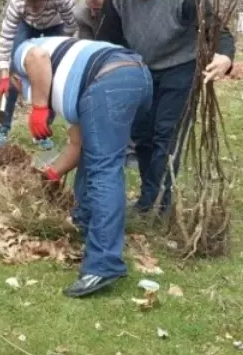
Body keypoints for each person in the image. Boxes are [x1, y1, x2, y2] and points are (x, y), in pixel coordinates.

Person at [96, 0, 235, 215]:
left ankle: (157, 201)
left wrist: (225, 58)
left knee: (166, 135)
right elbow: (107, 40)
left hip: (180, 66)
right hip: (138, 67)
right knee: (141, 134)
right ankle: (152, 196)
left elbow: (218, 31)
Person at [11, 34, 152, 298]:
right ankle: (87, 223)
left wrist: (39, 108)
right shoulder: (74, 81)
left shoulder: (21, 54)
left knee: (104, 168)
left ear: (18, 80)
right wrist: (53, 173)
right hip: (136, 77)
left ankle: (103, 264)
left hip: (109, 80)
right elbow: (78, 145)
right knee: (97, 154)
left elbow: (36, 58)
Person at [0, 0, 77, 149]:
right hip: (27, 26)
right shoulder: (18, 2)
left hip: (56, 25)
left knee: (51, 77)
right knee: (14, 76)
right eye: (31, 6)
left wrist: (58, 48)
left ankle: (40, 131)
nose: (34, 10)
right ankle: (2, 128)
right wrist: (5, 73)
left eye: (38, 6)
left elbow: (72, 23)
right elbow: (7, 36)